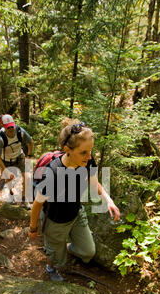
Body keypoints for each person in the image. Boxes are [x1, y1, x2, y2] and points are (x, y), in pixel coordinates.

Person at [29, 118, 120, 282]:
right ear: (67, 150)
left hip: (76, 213)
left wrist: (109, 200)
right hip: (55, 220)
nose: (89, 156)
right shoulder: (53, 173)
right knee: (58, 260)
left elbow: (94, 183)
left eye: (90, 151)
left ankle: (62, 248)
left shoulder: (88, 161)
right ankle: (51, 266)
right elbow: (37, 204)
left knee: (88, 252)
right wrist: (33, 227)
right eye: (83, 152)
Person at [0, 114, 33, 202]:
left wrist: (29, 155)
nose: (11, 129)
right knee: (9, 179)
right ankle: (11, 192)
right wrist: (5, 170)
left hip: (19, 156)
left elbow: (30, 141)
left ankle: (24, 197)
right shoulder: (0, 137)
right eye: (8, 127)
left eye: (12, 126)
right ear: (4, 126)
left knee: (27, 177)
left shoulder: (20, 131)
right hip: (7, 160)